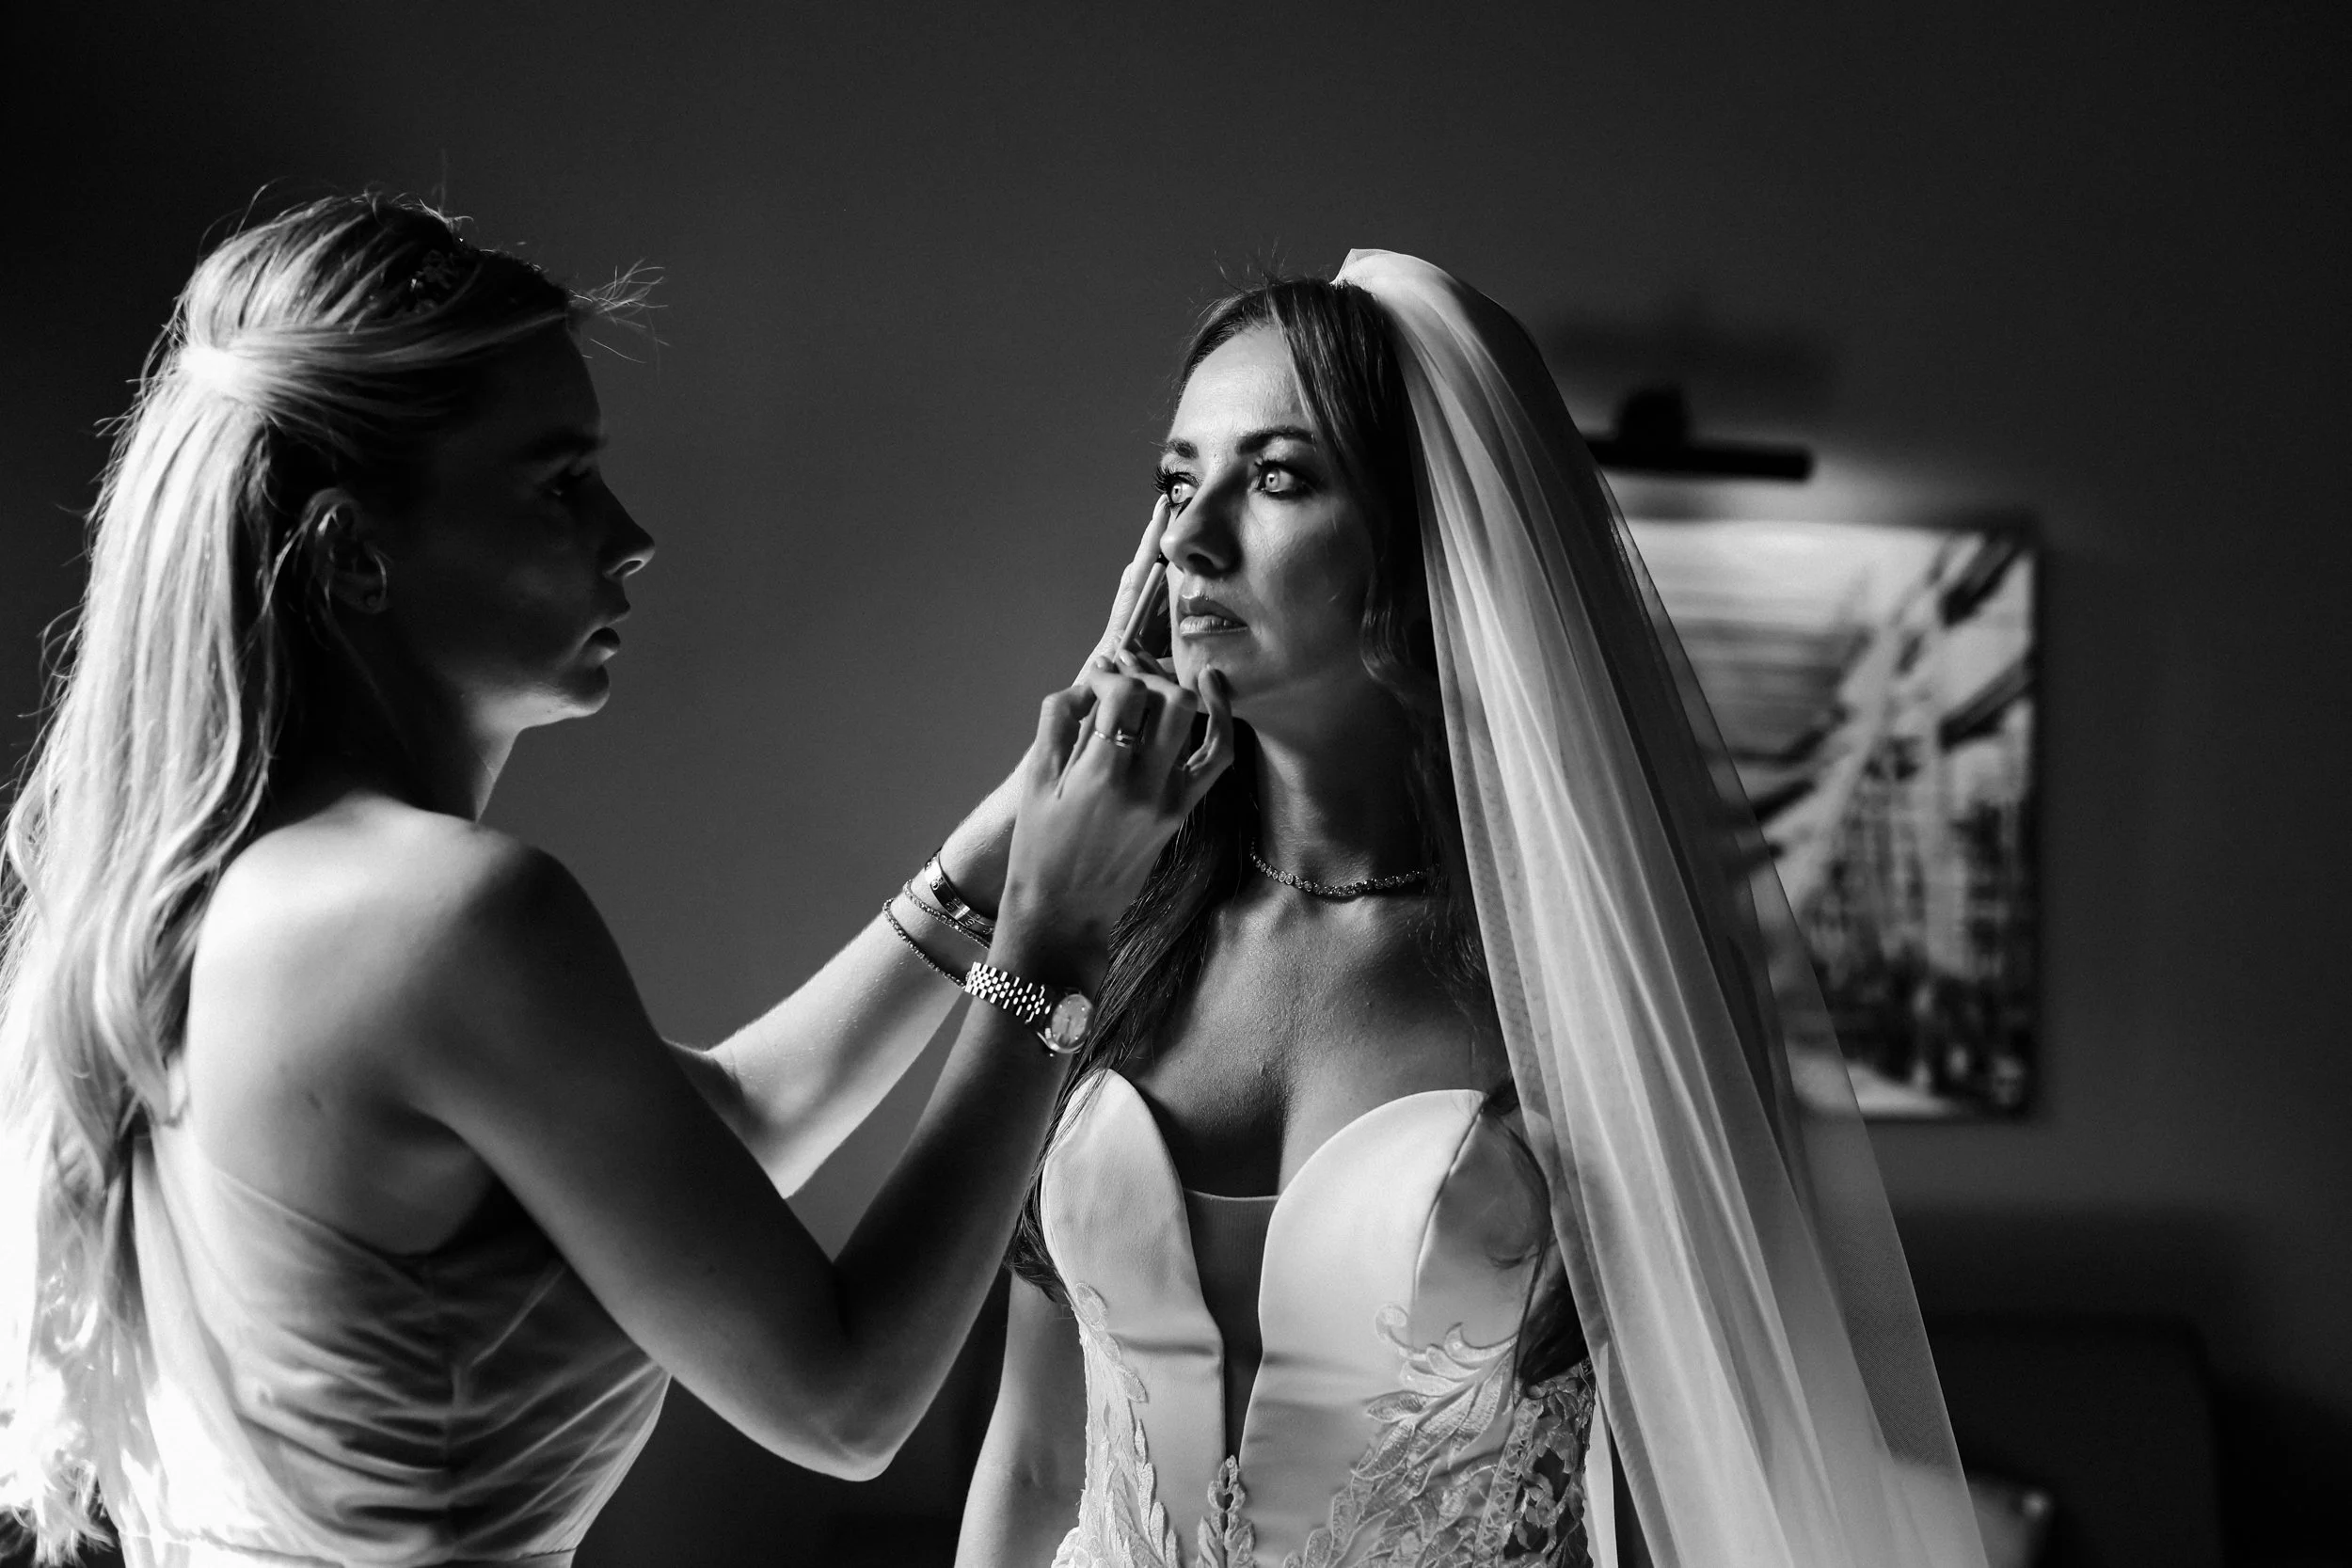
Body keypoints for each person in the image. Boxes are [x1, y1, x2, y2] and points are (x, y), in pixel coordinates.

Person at [0, 193, 1230, 1568]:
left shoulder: (245, 898)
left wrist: (1018, 827)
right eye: (559, 482)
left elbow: (738, 1121)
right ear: (354, 555)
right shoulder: (448, 915)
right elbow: (848, 1400)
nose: (631, 531)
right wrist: (1056, 933)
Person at [956, 255, 1990, 1568]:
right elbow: (1038, 1457)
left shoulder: (1598, 973)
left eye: (1277, 476)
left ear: (1420, 534)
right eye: (1176, 481)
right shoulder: (1107, 927)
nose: (1189, 538)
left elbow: (1717, 1477)